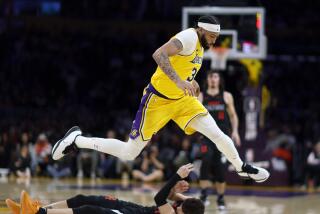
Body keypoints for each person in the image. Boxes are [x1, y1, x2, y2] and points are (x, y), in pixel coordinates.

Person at [51, 15, 269, 183]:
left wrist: (190, 82)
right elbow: (159, 54)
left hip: (182, 101)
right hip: (158, 101)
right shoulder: (188, 37)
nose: (213, 42)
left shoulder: (201, 44)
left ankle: (241, 168)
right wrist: (179, 82)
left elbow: (183, 67)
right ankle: (77, 140)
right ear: (201, 30)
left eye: (215, 38)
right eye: (211, 37)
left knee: (217, 134)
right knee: (130, 153)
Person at [6, 164, 202, 214]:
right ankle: (33, 208)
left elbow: (159, 198)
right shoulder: (185, 208)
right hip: (132, 208)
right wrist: (177, 190)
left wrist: (176, 176)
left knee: (90, 211)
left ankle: (38, 212)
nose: (180, 205)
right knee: (84, 198)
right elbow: (170, 198)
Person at [198, 70, 240, 209]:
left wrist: (235, 132)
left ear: (219, 80)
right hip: (207, 136)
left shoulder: (227, 96)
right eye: (210, 77)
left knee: (220, 168)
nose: (213, 79)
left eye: (215, 77)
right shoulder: (201, 96)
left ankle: (221, 199)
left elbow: (233, 116)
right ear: (207, 80)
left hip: (223, 137)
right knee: (205, 160)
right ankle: (204, 194)